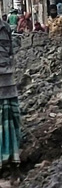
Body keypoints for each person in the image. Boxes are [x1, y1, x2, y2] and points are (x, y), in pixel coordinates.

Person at [0, 17, 20, 170]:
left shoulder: (6, 28)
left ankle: (10, 156)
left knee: (9, 118)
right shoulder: (6, 28)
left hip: (7, 80)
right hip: (7, 79)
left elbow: (11, 52)